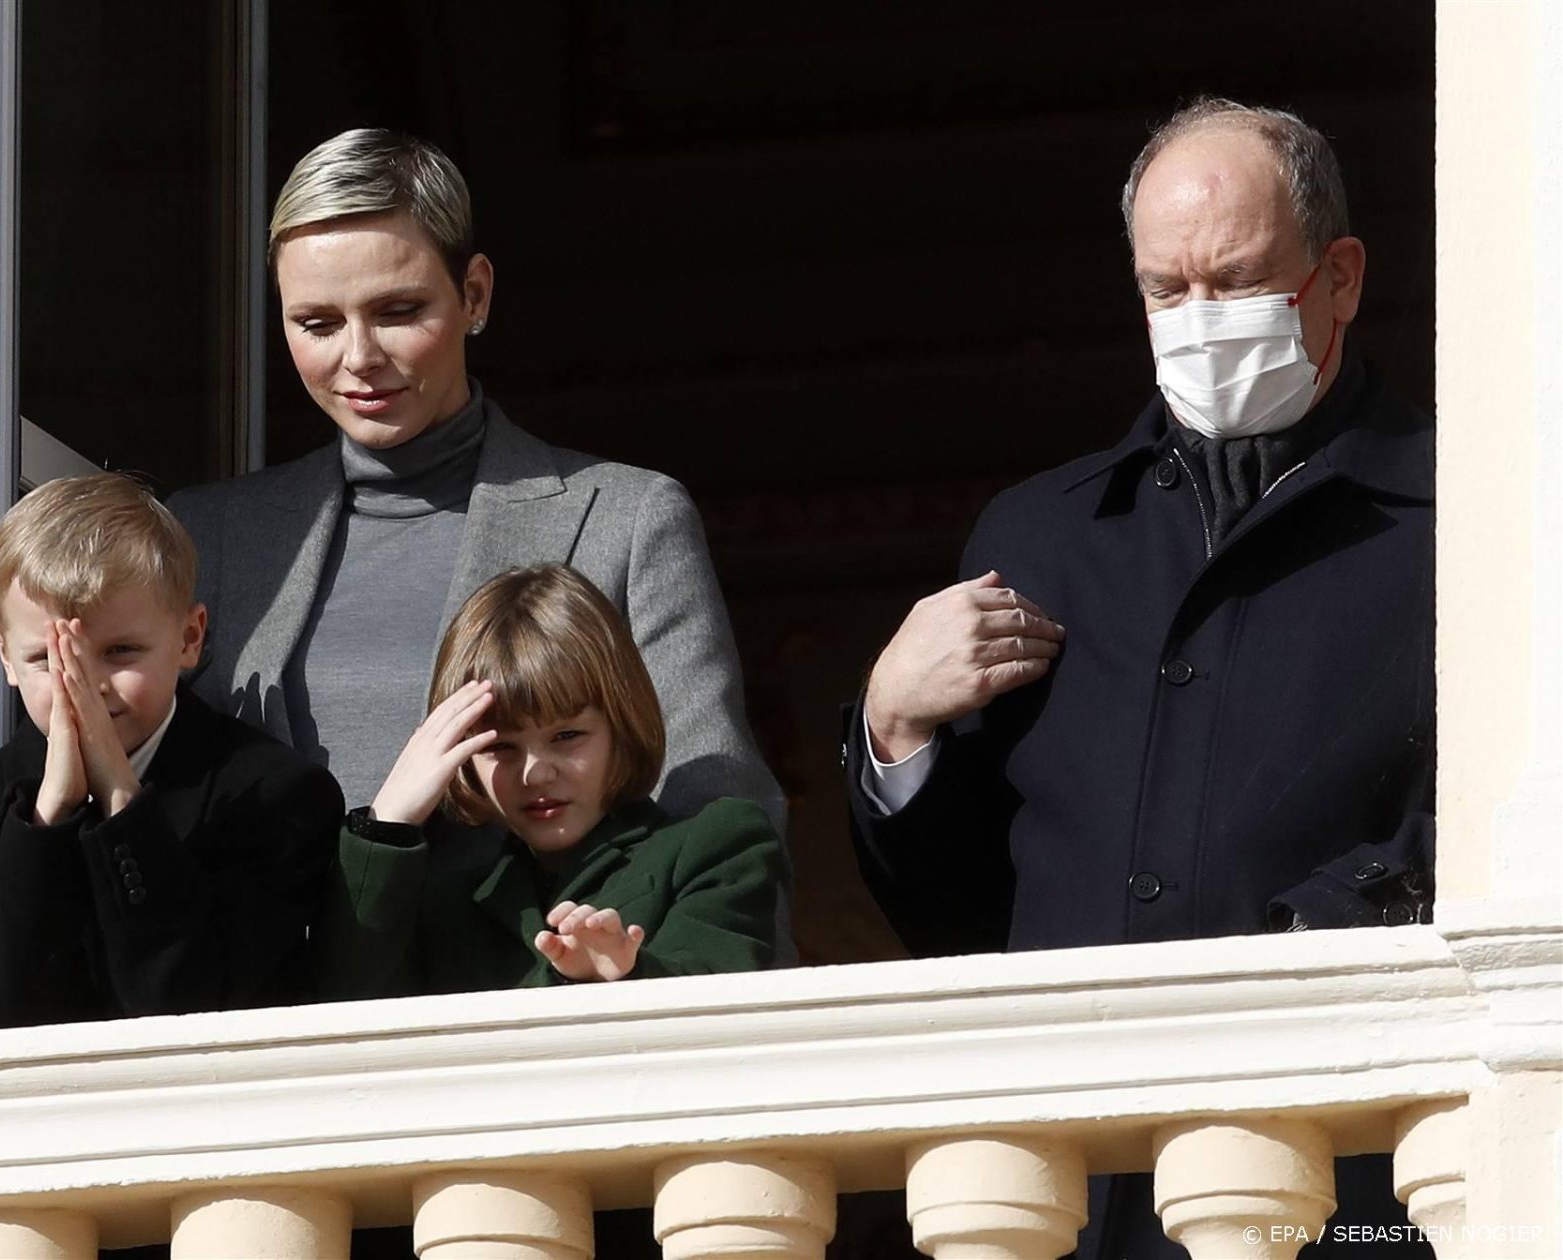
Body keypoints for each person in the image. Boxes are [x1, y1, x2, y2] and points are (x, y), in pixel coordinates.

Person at [848, 100, 1433, 1258]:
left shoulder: (1466, 516)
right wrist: (893, 724)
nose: (1201, 321)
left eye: (1239, 282)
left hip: (1337, 1176)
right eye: (1168, 290)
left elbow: (1511, 821)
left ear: (1341, 277)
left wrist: (1306, 935)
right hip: (1072, 1200)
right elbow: (963, 917)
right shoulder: (1042, 539)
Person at [166, 129, 785, 866]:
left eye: (398, 311)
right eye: (317, 324)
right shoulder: (205, 534)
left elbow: (721, 825)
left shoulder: (626, 522)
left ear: (475, 294)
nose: (359, 357)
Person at [0, 474, 343, 1032]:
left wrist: (123, 804)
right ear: (5, 658)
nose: (86, 685)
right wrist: (45, 826)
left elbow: (205, 1005)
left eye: (120, 651)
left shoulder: (274, 798)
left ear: (189, 639)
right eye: (48, 659)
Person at [322, 565, 782, 998]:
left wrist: (623, 977)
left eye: (567, 736)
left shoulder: (716, 846)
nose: (536, 773)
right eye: (501, 746)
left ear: (621, 724)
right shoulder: (447, 895)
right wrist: (387, 824)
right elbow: (346, 1012)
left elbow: (717, 1004)